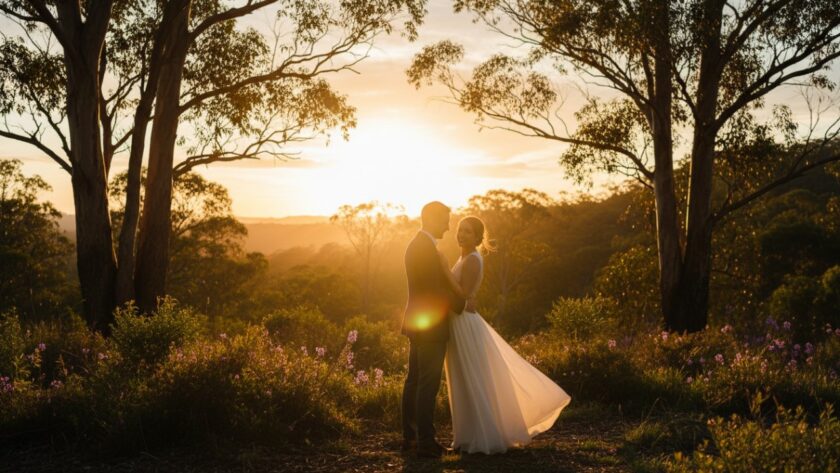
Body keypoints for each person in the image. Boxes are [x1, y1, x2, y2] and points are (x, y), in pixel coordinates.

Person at [438, 216, 571, 454]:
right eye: (459, 230)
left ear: (478, 237)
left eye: (467, 232)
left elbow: (463, 296)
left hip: (464, 324)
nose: (461, 235)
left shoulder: (472, 260)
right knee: (463, 379)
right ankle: (466, 437)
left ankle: (482, 437)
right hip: (458, 322)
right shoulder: (464, 257)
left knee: (471, 379)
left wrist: (444, 271)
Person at [400, 201, 466, 458]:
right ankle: (424, 442)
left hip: (418, 322)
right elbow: (434, 291)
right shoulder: (424, 248)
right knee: (426, 384)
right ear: (431, 218)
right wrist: (460, 303)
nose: (449, 227)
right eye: (445, 221)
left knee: (414, 381)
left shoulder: (419, 245)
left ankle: (412, 438)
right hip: (429, 325)